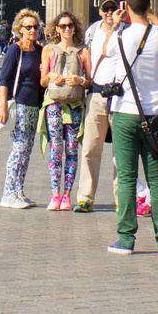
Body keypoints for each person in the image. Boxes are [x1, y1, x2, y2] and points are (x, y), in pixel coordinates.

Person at [101, 0, 158, 255]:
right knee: (157, 180)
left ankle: (126, 239)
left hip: (125, 115)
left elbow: (105, 50)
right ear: (149, 6)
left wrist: (117, 23)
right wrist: (151, 15)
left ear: (126, 7)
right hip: (156, 116)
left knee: (127, 177)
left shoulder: (120, 36)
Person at [72, 0, 123, 212]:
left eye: (113, 8)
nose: (110, 12)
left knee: (121, 152)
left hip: (120, 95)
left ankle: (122, 198)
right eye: (106, 9)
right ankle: (85, 198)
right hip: (96, 94)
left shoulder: (126, 31)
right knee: (90, 148)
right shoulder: (91, 31)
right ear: (100, 10)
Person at [38, 12, 89, 210]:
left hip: (75, 105)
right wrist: (50, 74)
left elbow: (90, 82)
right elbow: (42, 81)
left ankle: (67, 195)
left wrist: (79, 80)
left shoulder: (83, 51)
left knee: (71, 150)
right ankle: (55, 194)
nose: (67, 29)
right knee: (56, 149)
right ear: (56, 29)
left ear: (74, 28)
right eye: (63, 26)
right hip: (54, 104)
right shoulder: (48, 50)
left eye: (70, 25)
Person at [0, 9, 44, 209]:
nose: (33, 30)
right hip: (20, 103)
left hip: (35, 105)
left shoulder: (40, 50)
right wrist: (2, 106)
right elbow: (4, 79)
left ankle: (18, 191)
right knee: (19, 148)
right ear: (19, 29)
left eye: (36, 27)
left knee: (27, 150)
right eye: (28, 27)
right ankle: (8, 193)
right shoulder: (15, 50)